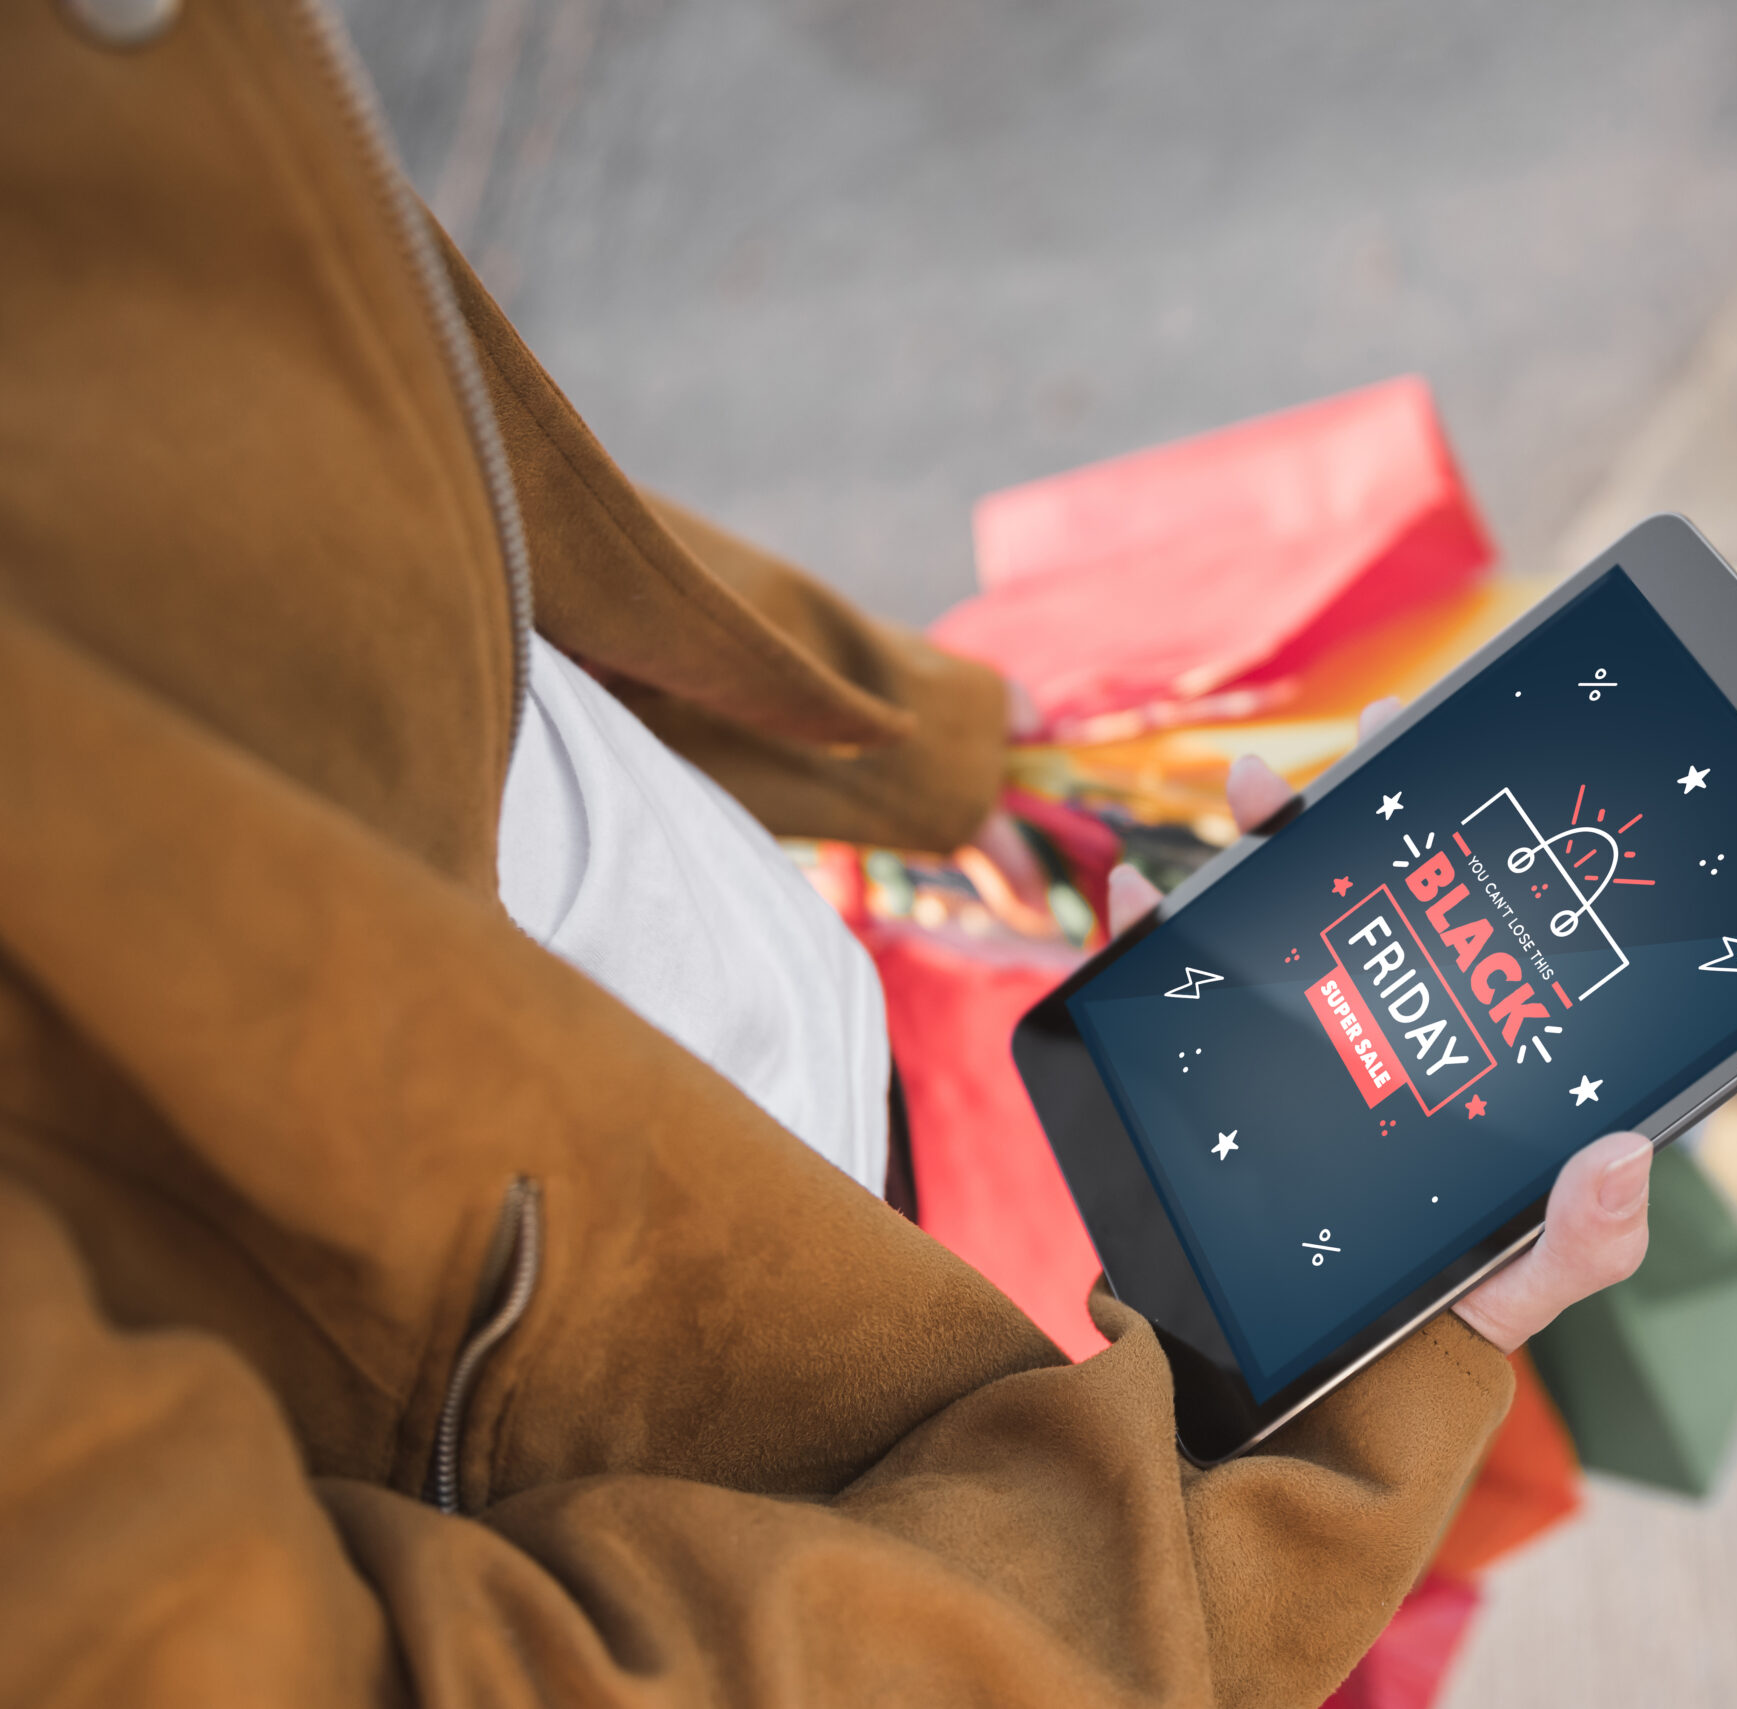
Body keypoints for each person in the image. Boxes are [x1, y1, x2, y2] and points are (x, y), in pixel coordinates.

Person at [0, 3, 1650, 1703]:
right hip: (808, 1488)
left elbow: (371, 453)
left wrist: (921, 744)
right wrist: (1250, 1508)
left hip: (859, 1169)